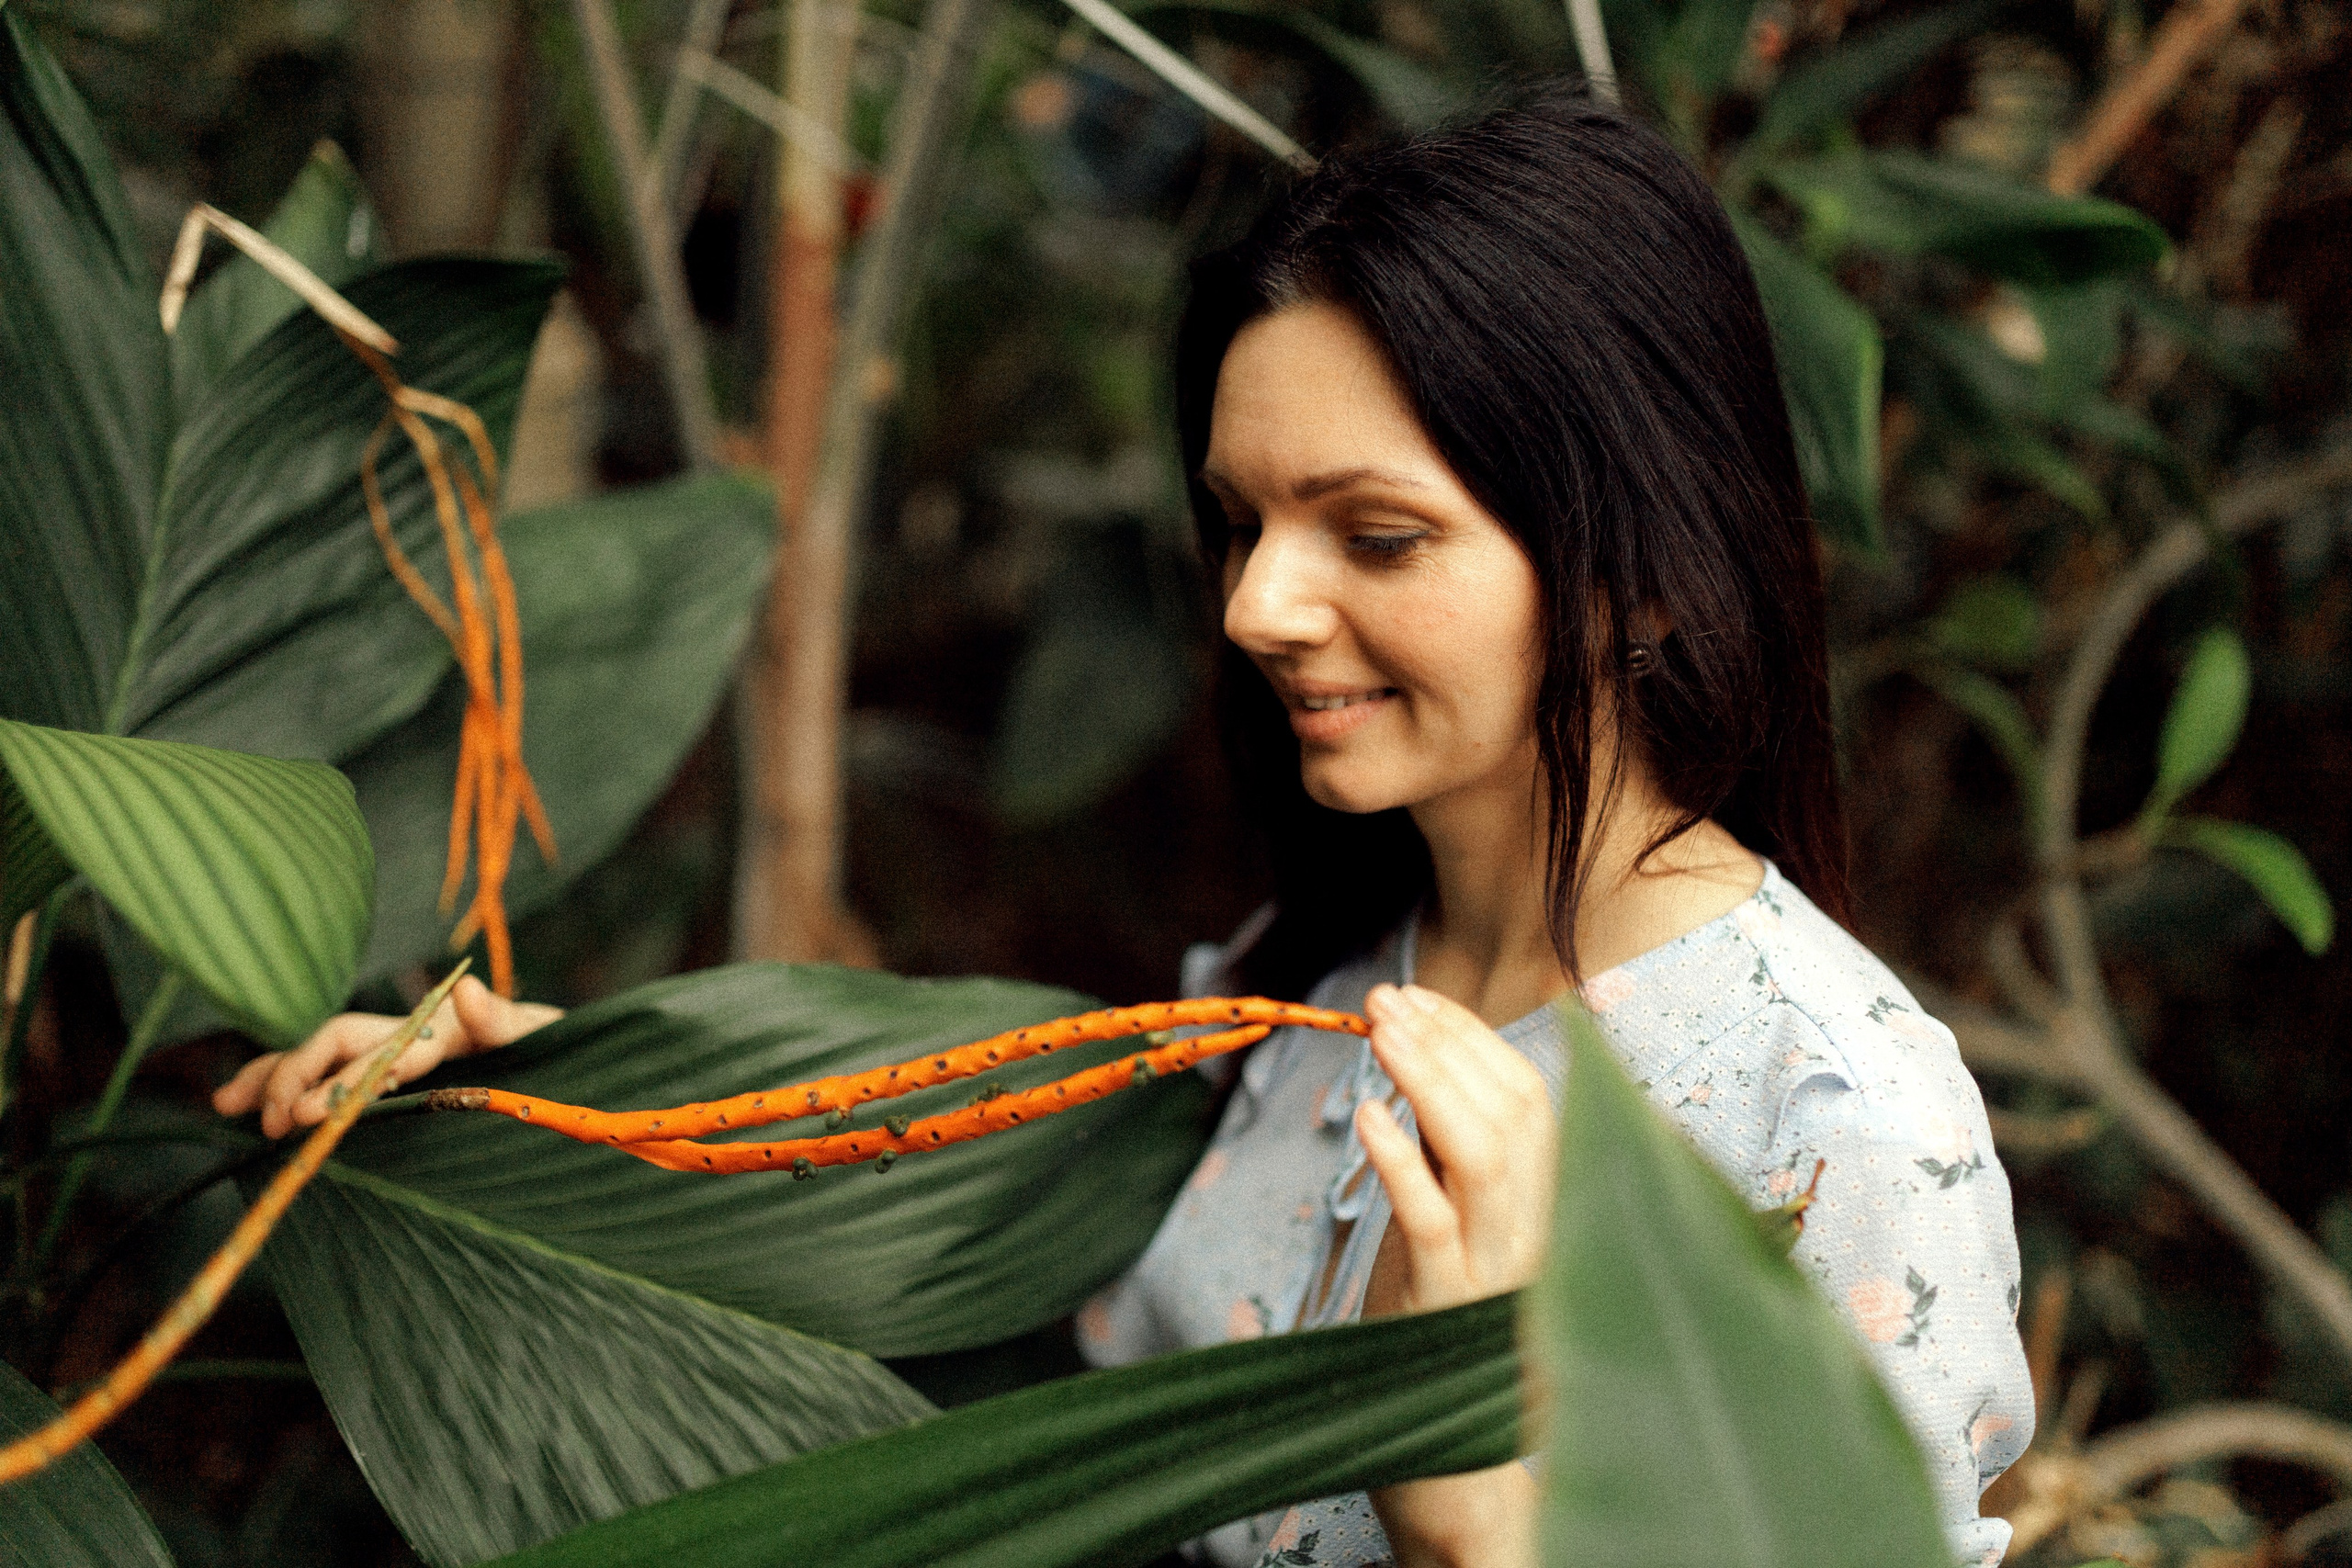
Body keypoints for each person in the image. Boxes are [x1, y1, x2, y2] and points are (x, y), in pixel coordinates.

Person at [220, 90, 2031, 1568]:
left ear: (1637, 558)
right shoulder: (1305, 979)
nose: (1254, 605)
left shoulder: (1836, 1121)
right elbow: (999, 1281)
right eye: (1238, 520)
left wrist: (1473, 1523)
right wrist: (553, 1110)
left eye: (1370, 534)